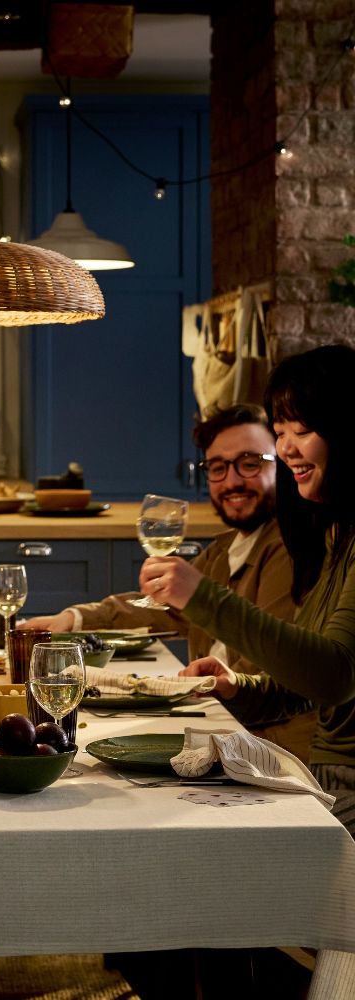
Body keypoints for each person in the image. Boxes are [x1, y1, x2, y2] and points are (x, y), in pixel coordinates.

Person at [140, 344, 355, 837]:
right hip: (325, 774)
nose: (288, 450)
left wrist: (203, 597)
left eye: (302, 431)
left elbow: (335, 676)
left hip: (343, 784)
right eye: (281, 434)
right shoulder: (335, 534)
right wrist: (239, 687)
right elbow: (305, 682)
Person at [22, 404, 315, 759]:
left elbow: (270, 669)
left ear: (283, 463)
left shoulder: (292, 549)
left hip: (265, 748)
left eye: (250, 463)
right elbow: (165, 608)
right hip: (220, 729)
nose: (233, 480)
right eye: (218, 468)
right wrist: (74, 620)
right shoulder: (227, 549)